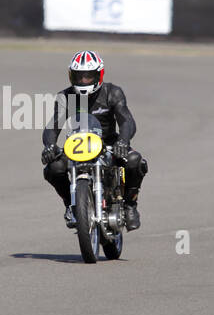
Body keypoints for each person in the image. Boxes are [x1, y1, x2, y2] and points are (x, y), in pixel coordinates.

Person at [41, 50, 147, 230]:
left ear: (99, 75)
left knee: (135, 162)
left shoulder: (112, 92)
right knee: (53, 168)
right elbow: (53, 125)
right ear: (71, 76)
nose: (83, 81)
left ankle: (130, 206)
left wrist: (123, 141)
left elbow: (126, 120)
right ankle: (70, 204)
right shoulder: (66, 97)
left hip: (109, 145)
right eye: (79, 76)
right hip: (77, 145)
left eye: (88, 77)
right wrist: (49, 145)